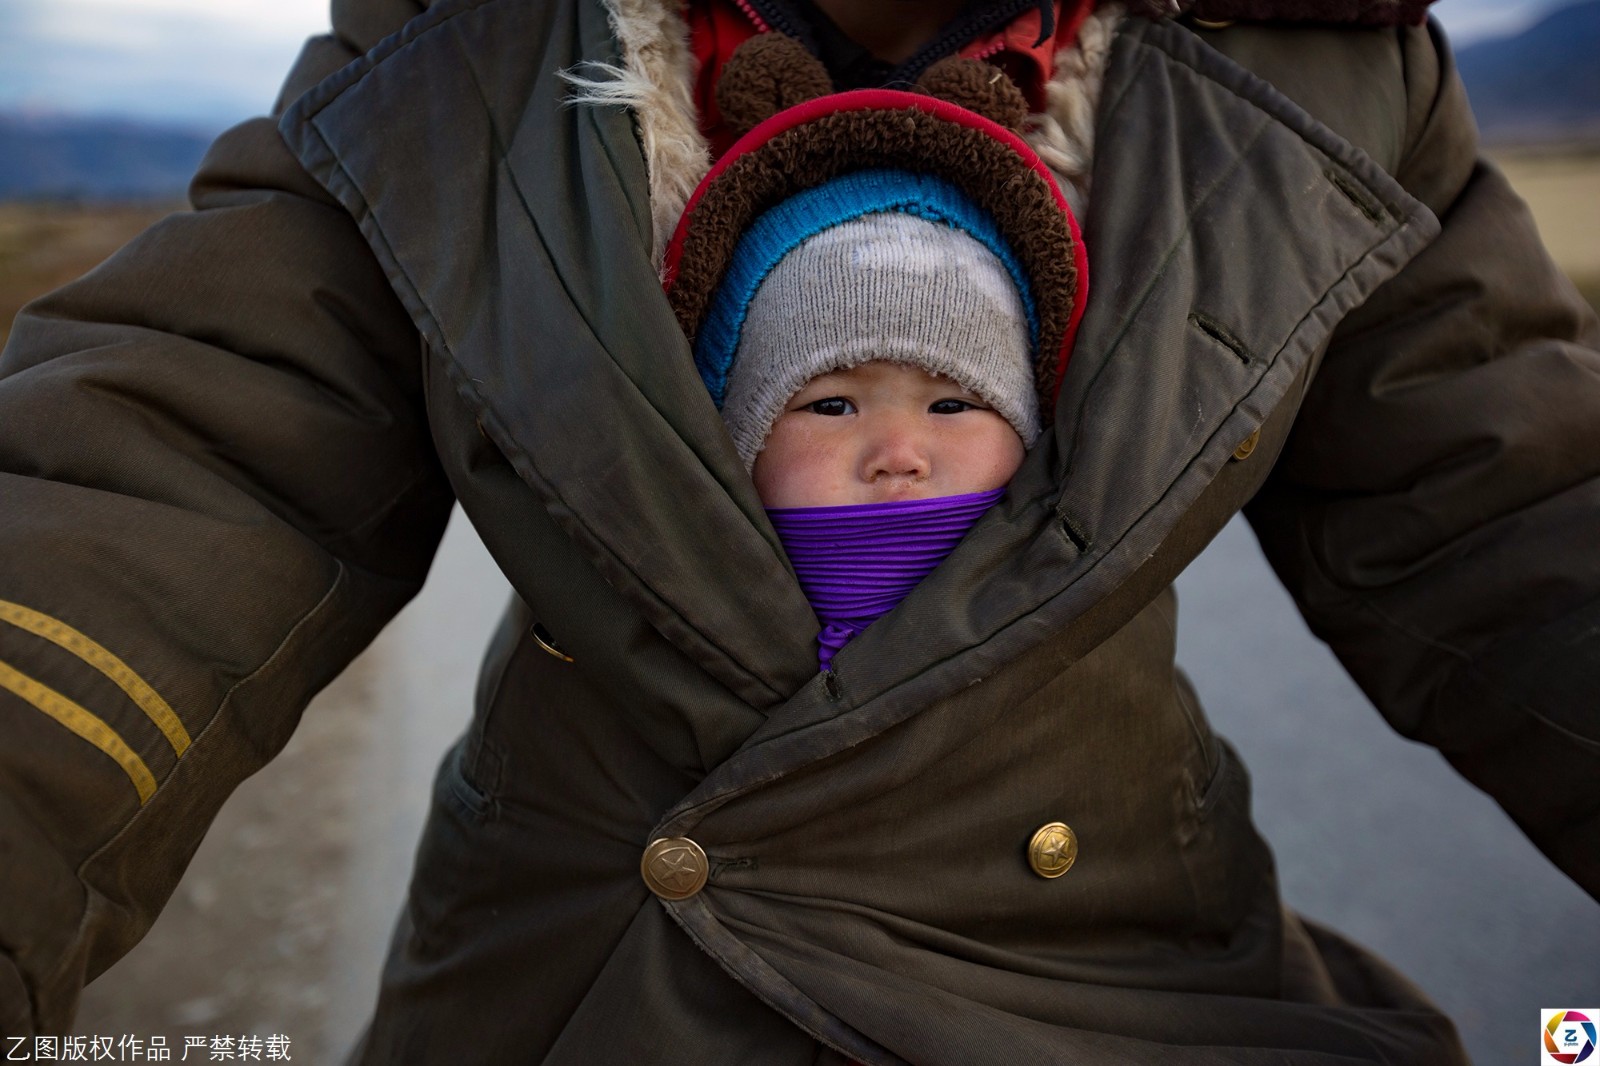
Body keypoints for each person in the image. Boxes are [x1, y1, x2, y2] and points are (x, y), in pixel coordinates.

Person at [0, 0, 1595, 1062]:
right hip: (589, 990)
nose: (892, 453)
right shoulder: (460, 50)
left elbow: (1521, 500)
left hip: (1117, 977)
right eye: (836, 409)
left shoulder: (1314, 56)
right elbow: (172, 453)